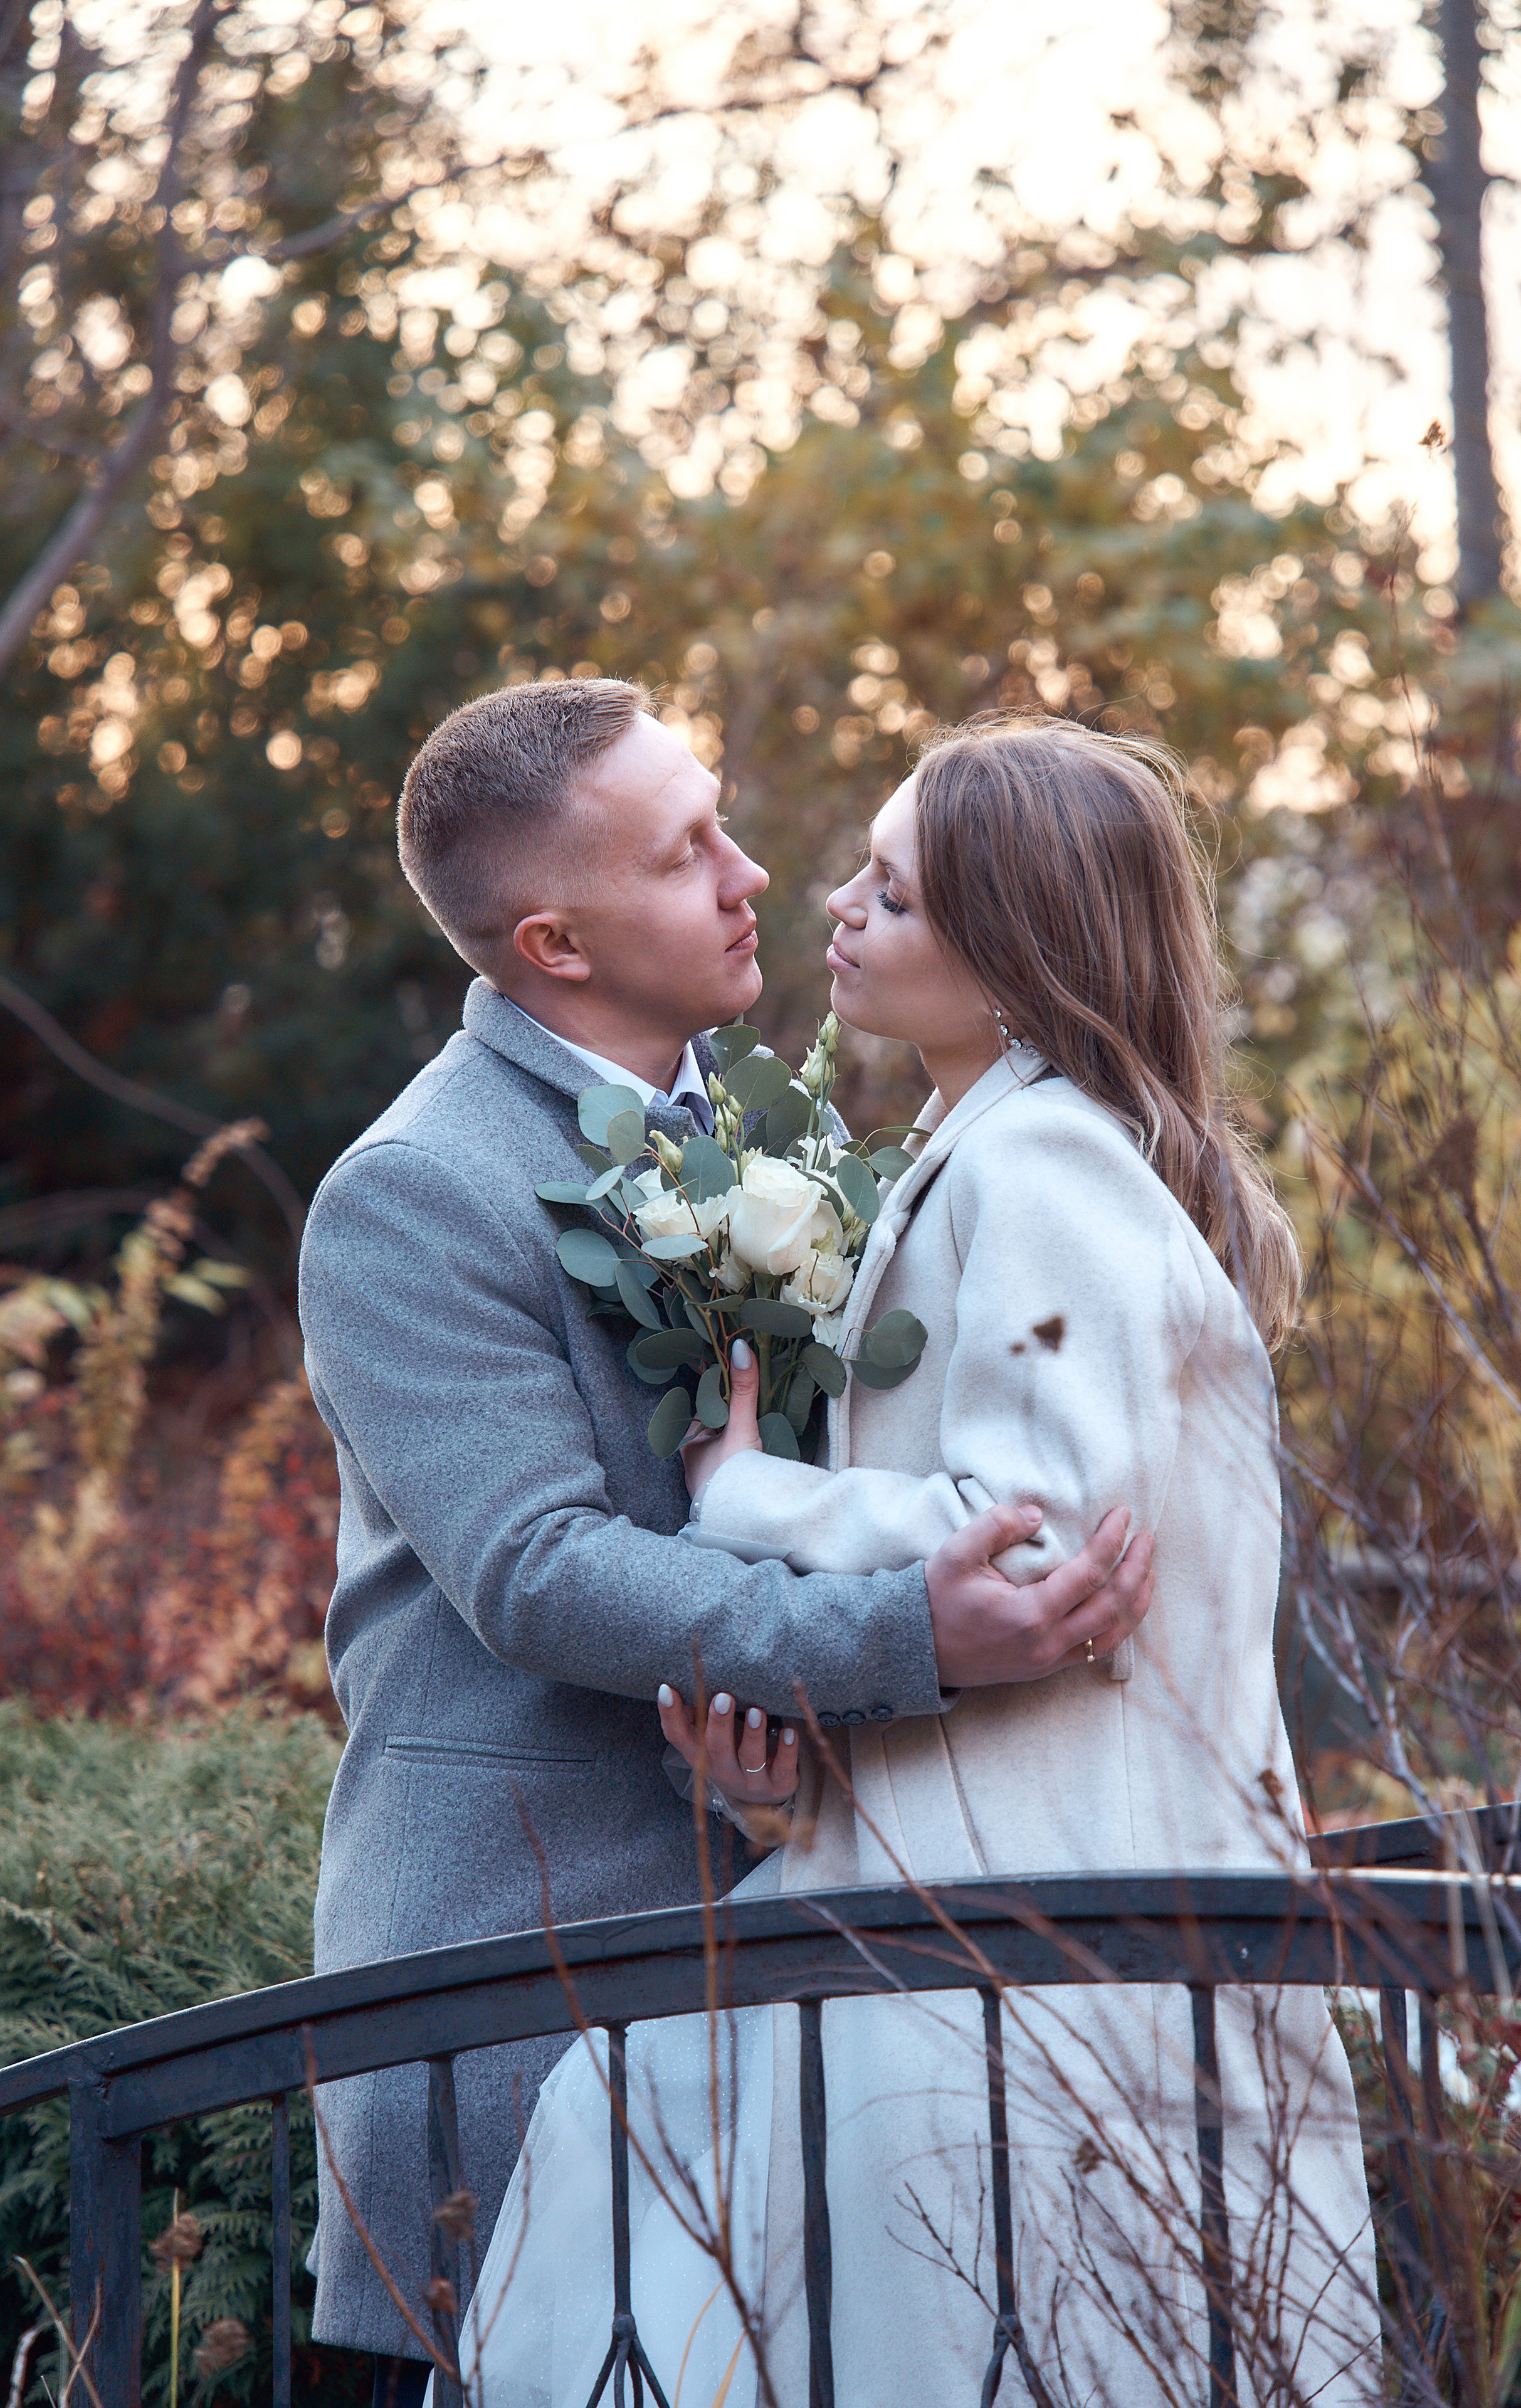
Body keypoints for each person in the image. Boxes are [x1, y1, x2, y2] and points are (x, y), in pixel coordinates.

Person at [461, 715, 1380, 2407]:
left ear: (1018, 957)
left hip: (1025, 1941)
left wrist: (751, 1504)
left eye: (892, 891)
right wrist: (794, 1776)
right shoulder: (992, 1151)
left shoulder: (1036, 1168)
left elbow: (1047, 1549)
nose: (834, 906)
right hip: (990, 1901)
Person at [295, 679, 1154, 2392]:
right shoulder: (414, 1191)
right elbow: (539, 1572)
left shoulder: (792, 1140)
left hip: (805, 1969)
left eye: (725, 821)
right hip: (522, 1996)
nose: (755, 872)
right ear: (553, 940)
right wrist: (914, 1640)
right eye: (689, 854)